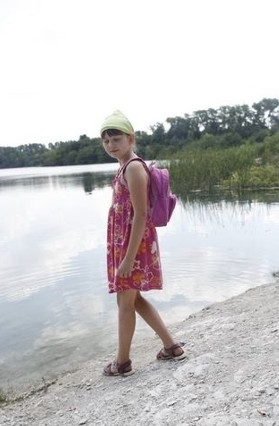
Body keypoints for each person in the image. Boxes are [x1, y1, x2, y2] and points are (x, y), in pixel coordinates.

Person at [100, 110, 186, 376]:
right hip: (126, 244)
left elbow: (141, 215)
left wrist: (127, 257)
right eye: (106, 141)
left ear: (131, 138)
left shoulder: (135, 167)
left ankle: (122, 363)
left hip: (132, 246)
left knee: (125, 303)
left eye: (116, 139)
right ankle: (171, 346)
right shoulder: (125, 166)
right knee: (134, 299)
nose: (111, 145)